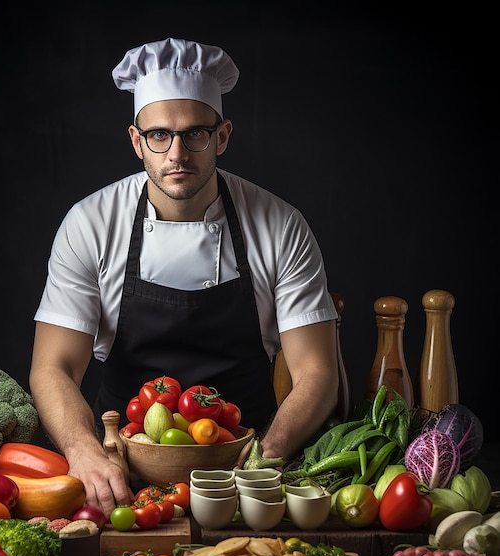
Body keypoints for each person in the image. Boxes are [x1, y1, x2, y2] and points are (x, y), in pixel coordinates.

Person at [29, 38, 339, 518]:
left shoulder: (280, 225)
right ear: (137, 141)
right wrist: (83, 451)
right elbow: (53, 367)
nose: (177, 153)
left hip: (245, 468)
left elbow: (316, 371)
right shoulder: (90, 223)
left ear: (223, 136)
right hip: (124, 475)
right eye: (159, 136)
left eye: (195, 134)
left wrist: (266, 456)